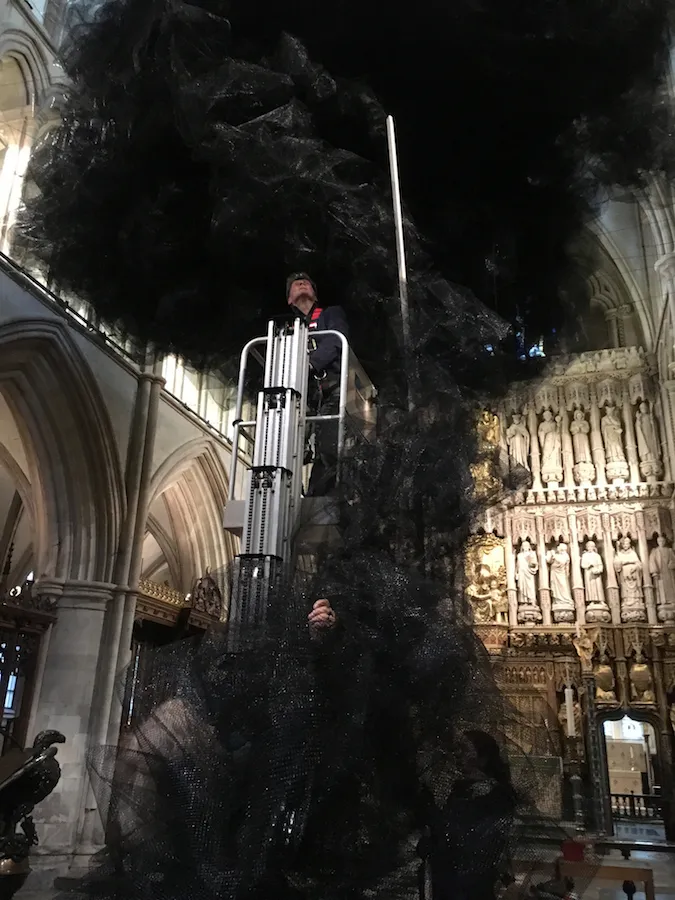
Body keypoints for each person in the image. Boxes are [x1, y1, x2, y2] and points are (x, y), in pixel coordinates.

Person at [428, 730, 518, 900]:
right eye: (457, 749)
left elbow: (492, 839)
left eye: (464, 749)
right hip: (447, 878)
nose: (457, 755)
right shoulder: (459, 789)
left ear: (482, 758)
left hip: (471, 883)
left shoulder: (496, 795)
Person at [286, 273, 349, 496]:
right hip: (303, 397)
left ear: (314, 294)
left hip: (331, 390)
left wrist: (311, 364)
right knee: (289, 448)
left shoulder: (329, 315)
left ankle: (321, 495)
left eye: (307, 283)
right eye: (296, 284)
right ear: (289, 299)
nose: (302, 283)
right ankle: (296, 492)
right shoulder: (289, 329)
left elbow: (336, 339)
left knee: (328, 445)